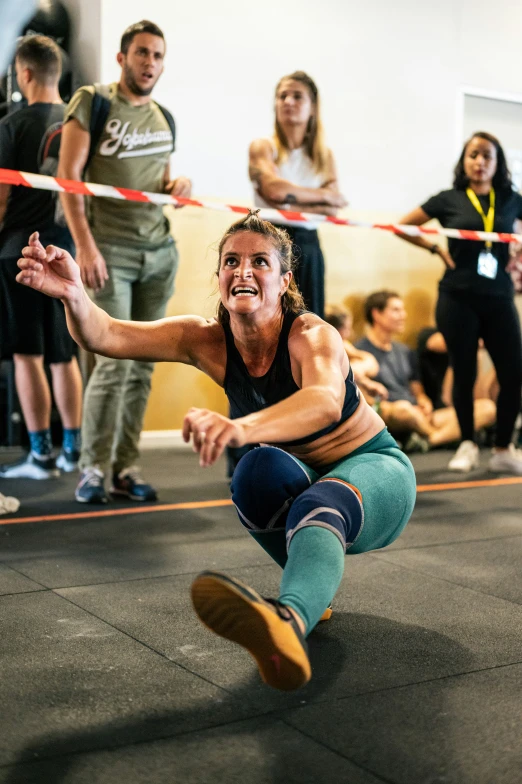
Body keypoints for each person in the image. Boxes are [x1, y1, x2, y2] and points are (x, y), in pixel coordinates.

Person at [17, 212, 417, 692]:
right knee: (254, 474)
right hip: (310, 478)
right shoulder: (204, 339)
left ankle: (286, 624)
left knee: (317, 501)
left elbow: (325, 402)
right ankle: (311, 590)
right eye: (232, 261)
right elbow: (107, 335)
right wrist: (74, 295)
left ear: (285, 280)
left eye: (259, 262)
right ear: (220, 277)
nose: (243, 270)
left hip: (377, 472)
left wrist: (238, 426)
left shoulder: (312, 335)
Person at [58, 20, 191, 504]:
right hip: (107, 250)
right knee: (111, 362)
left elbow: (160, 182)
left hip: (158, 252)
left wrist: (178, 188)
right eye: (141, 53)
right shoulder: (93, 102)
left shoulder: (164, 118)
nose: (150, 62)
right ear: (122, 58)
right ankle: (92, 468)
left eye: (157, 55)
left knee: (143, 366)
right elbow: (68, 178)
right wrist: (85, 246)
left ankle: (125, 466)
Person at [397, 132, 522, 473]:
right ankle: (467, 443)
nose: (480, 162)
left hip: (499, 297)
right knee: (464, 371)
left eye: (487, 156)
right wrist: (434, 248)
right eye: (473, 155)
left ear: (497, 164)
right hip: (457, 298)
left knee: (513, 372)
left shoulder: (511, 198)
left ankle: (502, 448)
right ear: (464, 161)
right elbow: (402, 227)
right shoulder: (448, 199)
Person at [0, 34, 82, 480]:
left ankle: (40, 456)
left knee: (27, 354)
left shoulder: (11, 125)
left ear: (24, 73)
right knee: (63, 353)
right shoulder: (79, 122)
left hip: (21, 254)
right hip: (65, 250)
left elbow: (0, 199)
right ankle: (72, 451)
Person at [249, 70, 347, 319]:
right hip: (270, 240)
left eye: (297, 96)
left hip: (309, 244)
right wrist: (322, 195)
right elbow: (274, 190)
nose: (288, 102)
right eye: (282, 96)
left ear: (312, 107)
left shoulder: (324, 155)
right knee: (266, 320)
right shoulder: (263, 147)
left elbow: (333, 208)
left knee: (309, 322)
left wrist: (288, 200)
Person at [356, 291, 496, 452]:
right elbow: (363, 399)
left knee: (487, 408)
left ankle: (431, 440)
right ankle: (445, 437)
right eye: (396, 310)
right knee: (404, 409)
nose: (404, 315)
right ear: (376, 314)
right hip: (393, 414)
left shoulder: (405, 351)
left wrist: (424, 403)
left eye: (403, 310)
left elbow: (418, 392)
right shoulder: (361, 353)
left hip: (419, 415)